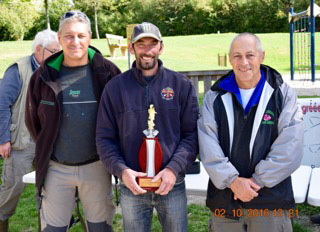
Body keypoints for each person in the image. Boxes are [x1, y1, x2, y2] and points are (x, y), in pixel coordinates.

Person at [96, 22, 198, 232]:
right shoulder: (115, 88)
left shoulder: (181, 85)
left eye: (152, 43)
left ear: (161, 47)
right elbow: (104, 138)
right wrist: (122, 171)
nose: (147, 50)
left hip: (171, 184)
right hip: (131, 186)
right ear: (131, 47)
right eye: (140, 44)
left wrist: (173, 169)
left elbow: (192, 135)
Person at [198, 32, 304, 232]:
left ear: (262, 57)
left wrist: (256, 182)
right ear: (230, 59)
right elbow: (207, 143)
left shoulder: (282, 93)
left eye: (250, 55)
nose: (243, 62)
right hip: (226, 202)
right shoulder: (215, 97)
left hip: (269, 201)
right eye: (237, 56)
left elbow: (291, 146)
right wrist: (233, 182)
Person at [25, 10, 121, 232]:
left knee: (100, 228)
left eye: (80, 36)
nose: (75, 41)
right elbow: (33, 122)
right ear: (59, 38)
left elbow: (120, 119)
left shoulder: (107, 73)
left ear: (89, 37)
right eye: (68, 36)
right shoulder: (43, 76)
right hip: (56, 168)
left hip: (97, 166)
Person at [0, 29, 60, 232]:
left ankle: (45, 227)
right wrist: (3, 139)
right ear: (38, 49)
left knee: (48, 191)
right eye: (54, 51)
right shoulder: (18, 69)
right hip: (22, 141)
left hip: (48, 143)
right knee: (12, 190)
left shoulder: (56, 69)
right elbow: (2, 104)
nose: (58, 56)